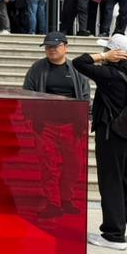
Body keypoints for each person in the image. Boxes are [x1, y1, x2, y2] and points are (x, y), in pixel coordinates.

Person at [73, 34, 127, 251]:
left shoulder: (109, 75)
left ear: (114, 53)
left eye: (108, 50)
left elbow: (79, 62)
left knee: (111, 183)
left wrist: (103, 57)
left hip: (112, 137)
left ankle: (114, 234)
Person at [22, 31, 90, 218]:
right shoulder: (37, 69)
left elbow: (85, 95)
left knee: (74, 165)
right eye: (48, 47)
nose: (51, 49)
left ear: (65, 47)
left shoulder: (76, 70)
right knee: (48, 165)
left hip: (71, 126)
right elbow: (26, 94)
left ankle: (66, 199)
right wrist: (29, 118)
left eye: (55, 46)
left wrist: (86, 118)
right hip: (45, 126)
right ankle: (53, 202)